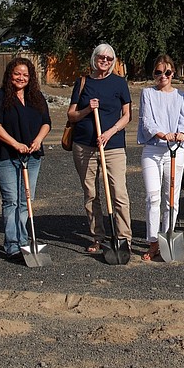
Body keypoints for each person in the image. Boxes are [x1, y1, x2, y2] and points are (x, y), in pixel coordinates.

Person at [68, 43, 133, 256]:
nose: (104, 60)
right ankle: (98, 237)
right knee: (91, 193)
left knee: (119, 193)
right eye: (100, 57)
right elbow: (71, 115)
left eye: (108, 58)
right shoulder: (82, 82)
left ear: (113, 60)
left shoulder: (119, 83)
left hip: (112, 146)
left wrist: (109, 133)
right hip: (84, 146)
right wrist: (88, 109)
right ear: (94, 58)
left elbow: (126, 116)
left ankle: (124, 238)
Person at [0, 57, 52, 258]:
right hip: (5, 155)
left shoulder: (36, 97)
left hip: (31, 157)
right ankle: (13, 244)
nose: (21, 78)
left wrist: (38, 140)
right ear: (9, 75)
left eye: (25, 74)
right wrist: (16, 144)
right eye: (17, 74)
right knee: (12, 200)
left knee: (26, 200)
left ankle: (25, 241)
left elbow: (46, 123)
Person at [136, 54, 184, 261]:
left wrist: (181, 134)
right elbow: (147, 121)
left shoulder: (180, 96)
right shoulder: (147, 93)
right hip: (153, 149)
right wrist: (161, 134)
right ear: (154, 74)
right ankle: (153, 241)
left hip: (175, 150)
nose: (163, 76)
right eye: (158, 72)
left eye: (167, 72)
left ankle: (167, 236)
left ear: (173, 73)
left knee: (171, 199)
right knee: (153, 196)